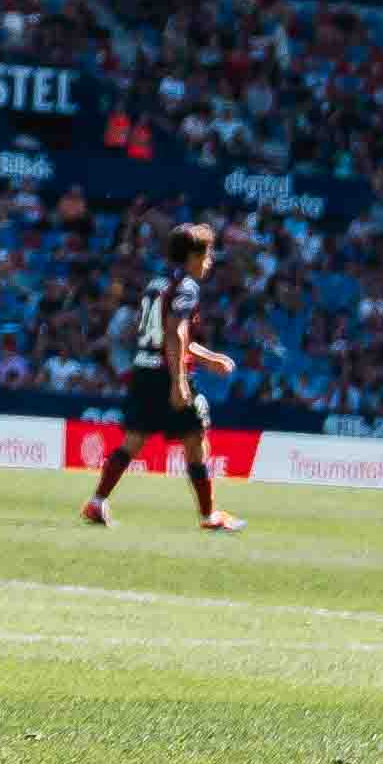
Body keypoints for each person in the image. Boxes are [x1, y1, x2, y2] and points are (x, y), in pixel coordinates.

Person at [82, 221, 241, 532]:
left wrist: (209, 359)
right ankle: (210, 515)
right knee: (195, 440)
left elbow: (166, 335)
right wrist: (179, 381)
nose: (208, 263)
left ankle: (97, 501)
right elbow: (175, 333)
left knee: (134, 441)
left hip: (144, 372)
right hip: (166, 374)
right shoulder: (187, 287)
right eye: (207, 256)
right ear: (193, 256)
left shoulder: (157, 283)